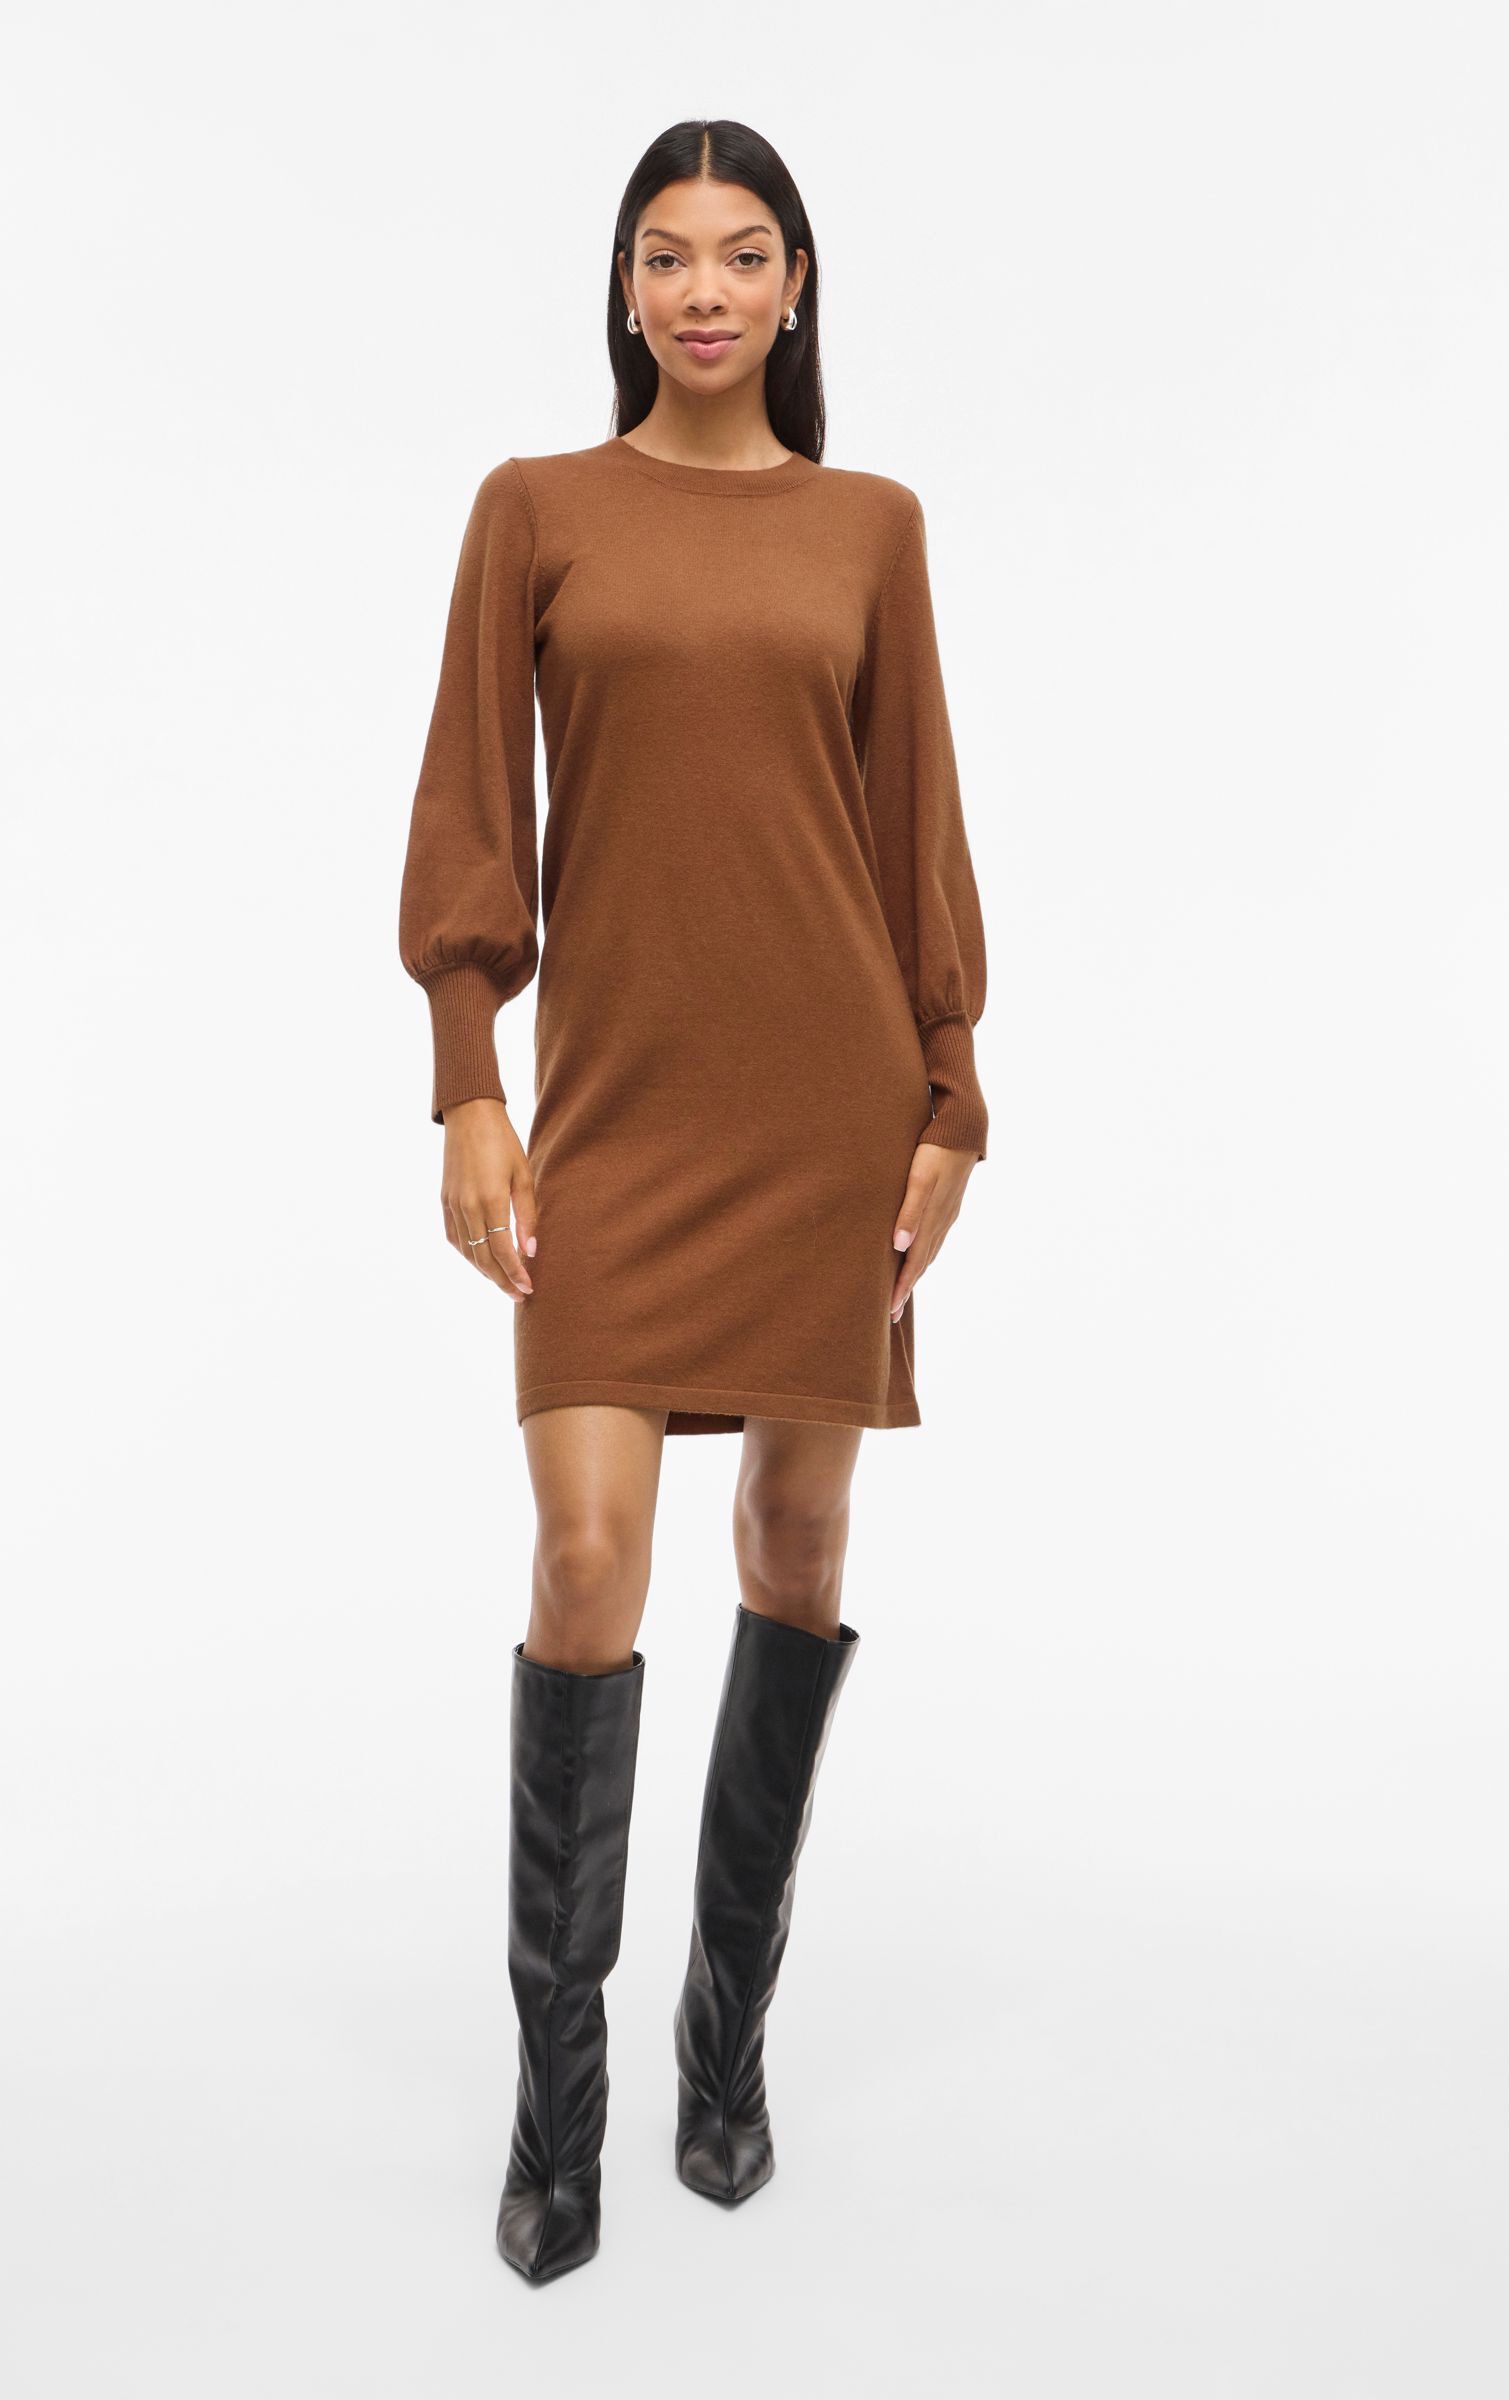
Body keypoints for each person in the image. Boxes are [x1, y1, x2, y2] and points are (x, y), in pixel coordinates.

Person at [398, 118, 990, 2283]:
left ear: (797, 285)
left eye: (746, 254)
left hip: (831, 1110)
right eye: (669, 255)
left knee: (798, 1550)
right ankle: (556, 2106)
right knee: (585, 1556)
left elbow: (916, 824)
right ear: (626, 287)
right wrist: (470, 1082)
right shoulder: (535, 511)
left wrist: (953, 1092)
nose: (708, 290)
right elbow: (474, 812)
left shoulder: (870, 527)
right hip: (618, 1117)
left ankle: (721, 2046)